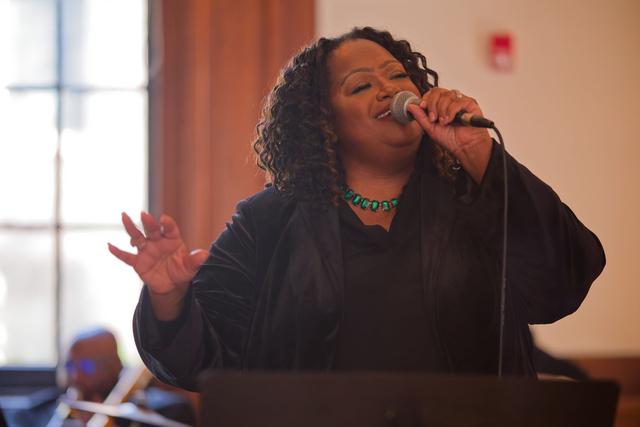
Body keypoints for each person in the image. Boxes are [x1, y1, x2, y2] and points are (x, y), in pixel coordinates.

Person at [109, 27, 605, 391]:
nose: (391, 90)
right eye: (362, 85)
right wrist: (170, 298)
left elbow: (562, 285)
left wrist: (478, 152)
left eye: (399, 76)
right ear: (323, 122)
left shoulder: (474, 199)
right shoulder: (267, 222)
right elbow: (199, 361)